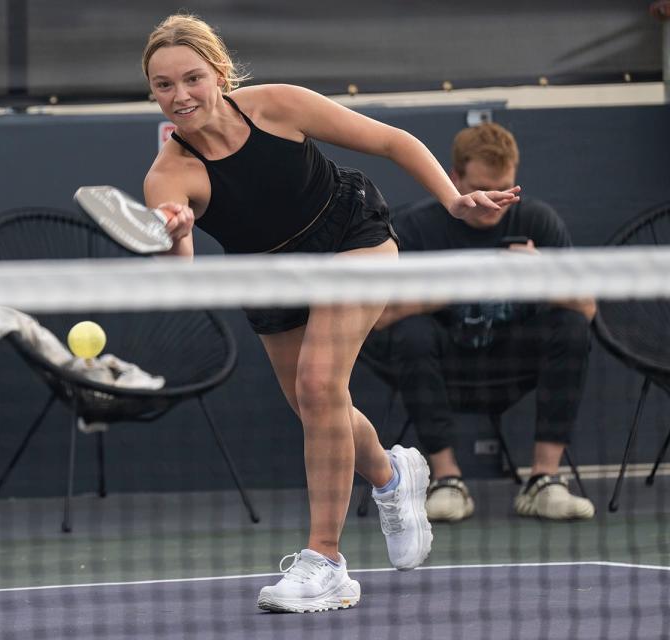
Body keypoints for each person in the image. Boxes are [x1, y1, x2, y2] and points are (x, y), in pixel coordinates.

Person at [140, 14, 520, 613]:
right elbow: (179, 279)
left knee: (320, 387)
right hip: (269, 276)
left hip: (351, 239)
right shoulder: (169, 174)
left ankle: (328, 562)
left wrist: (454, 199)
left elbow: (395, 141)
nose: (180, 95)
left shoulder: (278, 106)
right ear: (154, 92)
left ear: (218, 72)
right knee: (317, 405)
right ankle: (394, 478)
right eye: (164, 86)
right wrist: (173, 234)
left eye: (192, 78)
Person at [369, 122, 597, 524]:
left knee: (572, 326)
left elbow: (588, 307)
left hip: (511, 362)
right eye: (482, 189)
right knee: (411, 333)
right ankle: (447, 480)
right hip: (442, 363)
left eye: (506, 190)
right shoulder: (416, 228)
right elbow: (379, 317)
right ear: (454, 178)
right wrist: (456, 288)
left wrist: (537, 273)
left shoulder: (538, 222)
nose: (495, 202)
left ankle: (545, 481)